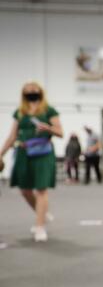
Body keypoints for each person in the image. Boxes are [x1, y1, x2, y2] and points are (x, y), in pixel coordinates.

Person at [0, 81, 63, 242]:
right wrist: (1, 153)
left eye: (34, 90)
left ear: (40, 92)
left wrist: (48, 128)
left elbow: (60, 132)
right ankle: (41, 214)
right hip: (23, 152)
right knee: (24, 190)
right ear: (23, 94)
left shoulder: (49, 110)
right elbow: (12, 136)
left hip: (43, 153)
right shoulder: (20, 112)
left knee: (41, 190)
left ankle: (40, 227)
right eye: (27, 90)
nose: (31, 92)